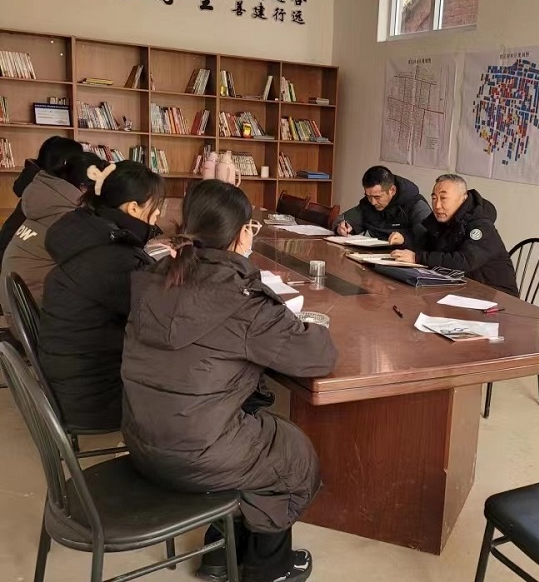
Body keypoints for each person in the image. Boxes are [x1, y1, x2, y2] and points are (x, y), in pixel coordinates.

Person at [120, 180, 337, 582]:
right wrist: (310, 323)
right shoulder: (242, 301)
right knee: (291, 455)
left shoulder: (152, 278)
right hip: (194, 457)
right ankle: (268, 570)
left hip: (140, 439)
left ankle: (219, 554)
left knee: (242, 426)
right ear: (242, 234)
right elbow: (318, 357)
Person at [38, 161, 165, 431]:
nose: (158, 214)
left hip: (70, 383)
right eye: (155, 206)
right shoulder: (113, 257)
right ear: (133, 208)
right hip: (98, 399)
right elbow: (163, 320)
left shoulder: (87, 233)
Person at [1, 150, 107, 335]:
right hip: (40, 323)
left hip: (21, 316)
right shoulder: (66, 218)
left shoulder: (47, 203)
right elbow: (98, 270)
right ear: (84, 188)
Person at [391, 174, 518, 296]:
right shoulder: (444, 218)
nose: (437, 206)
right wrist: (405, 240)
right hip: (461, 288)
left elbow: (464, 261)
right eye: (434, 198)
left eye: (443, 198)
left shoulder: (481, 226)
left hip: (496, 295)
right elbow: (428, 244)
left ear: (463, 199)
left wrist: (417, 258)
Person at [0, 136, 84, 271]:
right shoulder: (53, 192)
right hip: (14, 265)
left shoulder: (38, 184)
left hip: (9, 260)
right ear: (66, 163)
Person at [331, 165, 431, 246]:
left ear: (392, 190)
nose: (373, 202)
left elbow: (428, 240)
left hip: (406, 258)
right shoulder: (369, 203)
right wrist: (341, 227)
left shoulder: (416, 205)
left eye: (377, 197)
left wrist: (404, 239)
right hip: (372, 255)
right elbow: (343, 219)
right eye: (368, 196)